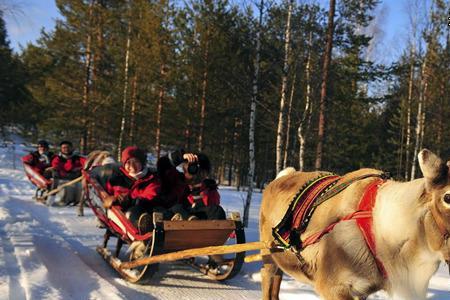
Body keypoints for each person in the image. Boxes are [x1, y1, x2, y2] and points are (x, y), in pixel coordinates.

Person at [157, 150, 226, 221]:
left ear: (204, 173)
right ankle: (190, 221)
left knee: (217, 210)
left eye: (193, 168)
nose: (188, 172)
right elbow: (162, 166)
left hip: (200, 223)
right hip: (175, 221)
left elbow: (210, 213)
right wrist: (179, 156)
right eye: (186, 167)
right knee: (177, 208)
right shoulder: (176, 181)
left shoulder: (210, 190)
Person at [48, 141, 86, 206]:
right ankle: (65, 201)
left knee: (82, 188)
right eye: (64, 147)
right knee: (68, 188)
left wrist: (80, 169)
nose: (66, 149)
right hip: (62, 180)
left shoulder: (78, 158)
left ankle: (80, 201)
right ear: (61, 149)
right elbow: (56, 167)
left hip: (77, 179)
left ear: (72, 148)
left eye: (68, 147)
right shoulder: (57, 159)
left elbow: (87, 163)